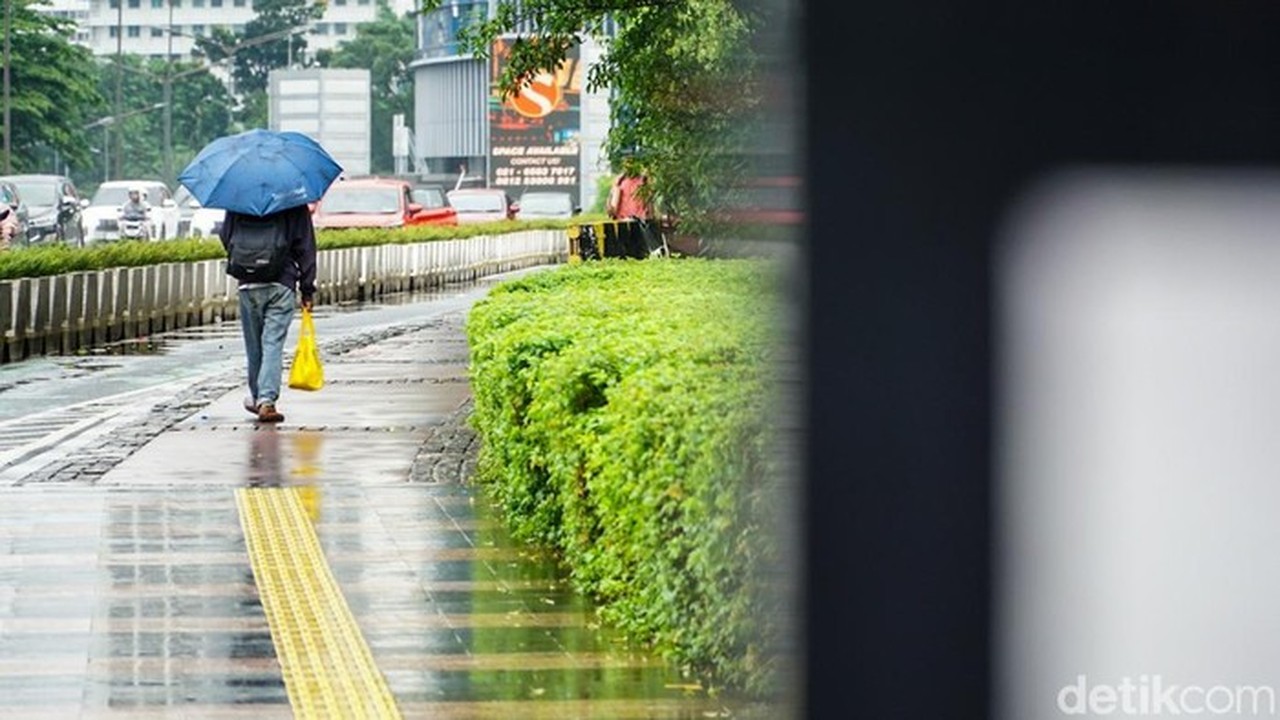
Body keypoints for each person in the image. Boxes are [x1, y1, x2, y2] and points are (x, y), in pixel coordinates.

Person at [218, 203, 317, 424]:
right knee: (272, 342)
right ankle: (266, 401)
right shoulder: (294, 200)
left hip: (248, 283)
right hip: (282, 283)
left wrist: (247, 260)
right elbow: (306, 248)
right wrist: (307, 288)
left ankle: (257, 397)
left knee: (254, 346)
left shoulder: (239, 200)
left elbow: (226, 236)